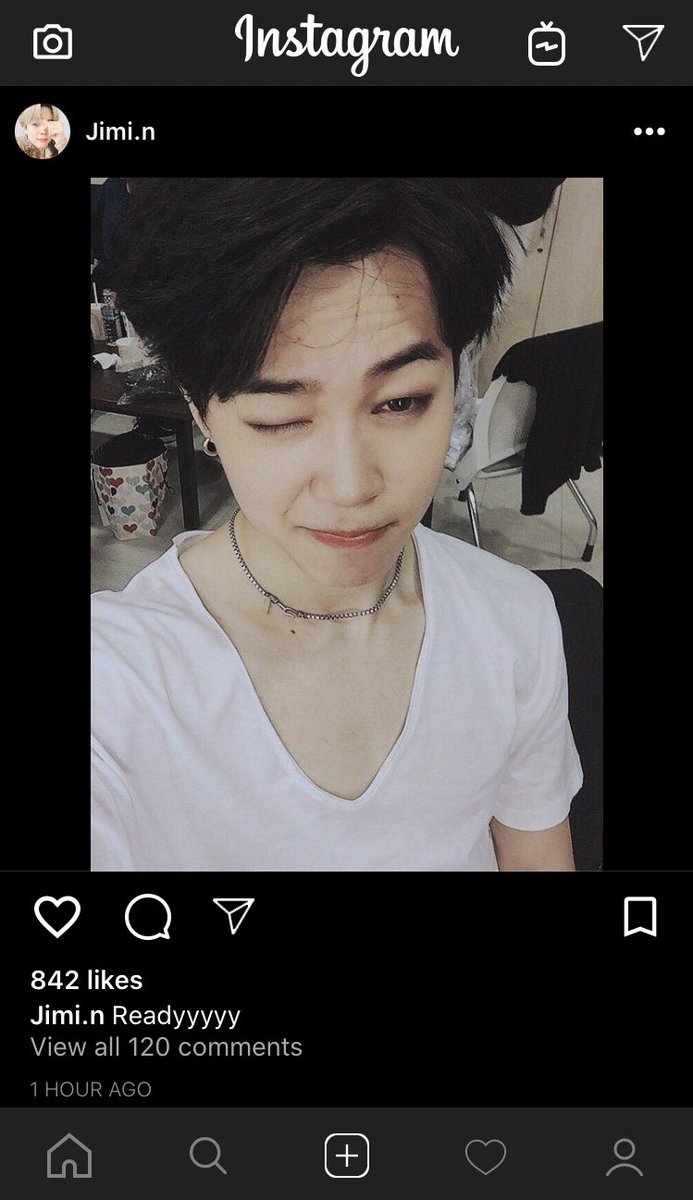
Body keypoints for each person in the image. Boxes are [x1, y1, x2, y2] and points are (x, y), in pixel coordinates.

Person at [92, 178, 583, 872]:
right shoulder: (115, 685)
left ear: (457, 377)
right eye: (280, 418)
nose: (352, 487)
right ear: (202, 412)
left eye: (401, 402)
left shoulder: (514, 619)